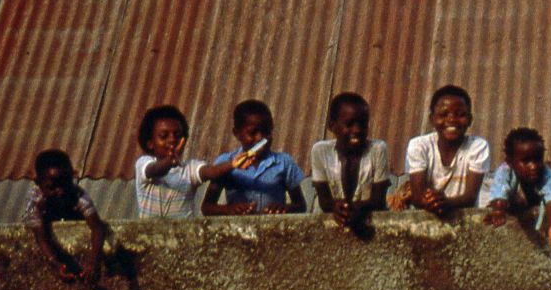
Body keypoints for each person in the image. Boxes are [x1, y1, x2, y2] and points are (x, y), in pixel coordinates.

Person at [135, 105, 250, 218]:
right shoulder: (144, 164)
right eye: (164, 136)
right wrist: (169, 162)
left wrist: (232, 164)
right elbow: (154, 170)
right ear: (150, 143)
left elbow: (212, 171)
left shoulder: (189, 169)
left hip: (183, 236)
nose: (172, 140)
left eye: (177, 135)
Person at [202, 99, 306, 215]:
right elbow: (207, 207)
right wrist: (229, 209)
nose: (260, 138)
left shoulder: (284, 162)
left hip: (273, 230)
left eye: (266, 132)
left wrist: (285, 208)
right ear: (237, 133)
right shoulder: (226, 163)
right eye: (252, 133)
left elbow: (301, 206)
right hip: (237, 230)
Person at [403, 85, 490, 216]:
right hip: (423, 218)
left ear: (470, 120)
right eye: (443, 114)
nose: (451, 120)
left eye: (460, 114)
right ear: (432, 119)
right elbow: (417, 197)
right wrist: (436, 202)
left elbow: (470, 197)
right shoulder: (419, 146)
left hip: (464, 218)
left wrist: (446, 202)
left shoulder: (477, 146)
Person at [24, 149, 107, 285]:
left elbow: (97, 228)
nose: (60, 191)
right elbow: (40, 235)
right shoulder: (35, 199)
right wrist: (55, 264)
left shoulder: (78, 195)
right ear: (38, 182)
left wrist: (94, 262)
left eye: (65, 184)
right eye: (52, 187)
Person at [310, 92, 390, 228]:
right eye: (349, 124)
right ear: (332, 126)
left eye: (363, 124)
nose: (357, 130)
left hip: (369, 225)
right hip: (332, 227)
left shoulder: (378, 149)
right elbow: (324, 201)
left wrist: (355, 208)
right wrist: (335, 207)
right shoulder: (320, 151)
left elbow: (378, 200)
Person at [486, 127, 551, 244]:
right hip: (514, 206)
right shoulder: (505, 171)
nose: (533, 166)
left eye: (538, 159)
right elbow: (499, 192)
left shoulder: (547, 173)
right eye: (526, 161)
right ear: (510, 162)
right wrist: (499, 210)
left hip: (535, 208)